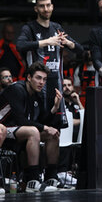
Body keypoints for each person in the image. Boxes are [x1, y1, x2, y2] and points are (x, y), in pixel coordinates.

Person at [16, 0, 84, 129]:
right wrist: (47, 42)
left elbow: (80, 49)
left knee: (55, 132)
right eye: (41, 6)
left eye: (48, 5)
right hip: (37, 88)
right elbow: (20, 45)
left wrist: (67, 42)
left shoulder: (57, 28)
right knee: (36, 129)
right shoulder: (29, 28)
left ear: (52, 7)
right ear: (36, 9)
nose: (45, 9)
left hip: (56, 86)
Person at [0, 62, 62, 192]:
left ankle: (51, 177)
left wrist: (55, 108)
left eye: (44, 79)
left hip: (18, 130)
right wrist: (45, 127)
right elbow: (20, 120)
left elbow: (40, 120)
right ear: (28, 77)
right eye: (38, 78)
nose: (41, 82)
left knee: (53, 134)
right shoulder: (16, 89)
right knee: (34, 131)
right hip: (4, 127)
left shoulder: (36, 94)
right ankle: (32, 181)